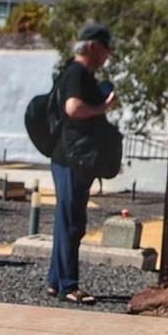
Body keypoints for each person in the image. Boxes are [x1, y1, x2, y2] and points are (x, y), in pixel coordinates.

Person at [48, 23, 117, 305]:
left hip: (73, 157)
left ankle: (56, 280)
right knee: (71, 222)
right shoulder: (76, 73)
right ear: (91, 46)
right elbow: (73, 108)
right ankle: (68, 285)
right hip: (71, 157)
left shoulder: (78, 73)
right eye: (104, 48)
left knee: (68, 219)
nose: (107, 55)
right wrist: (103, 108)